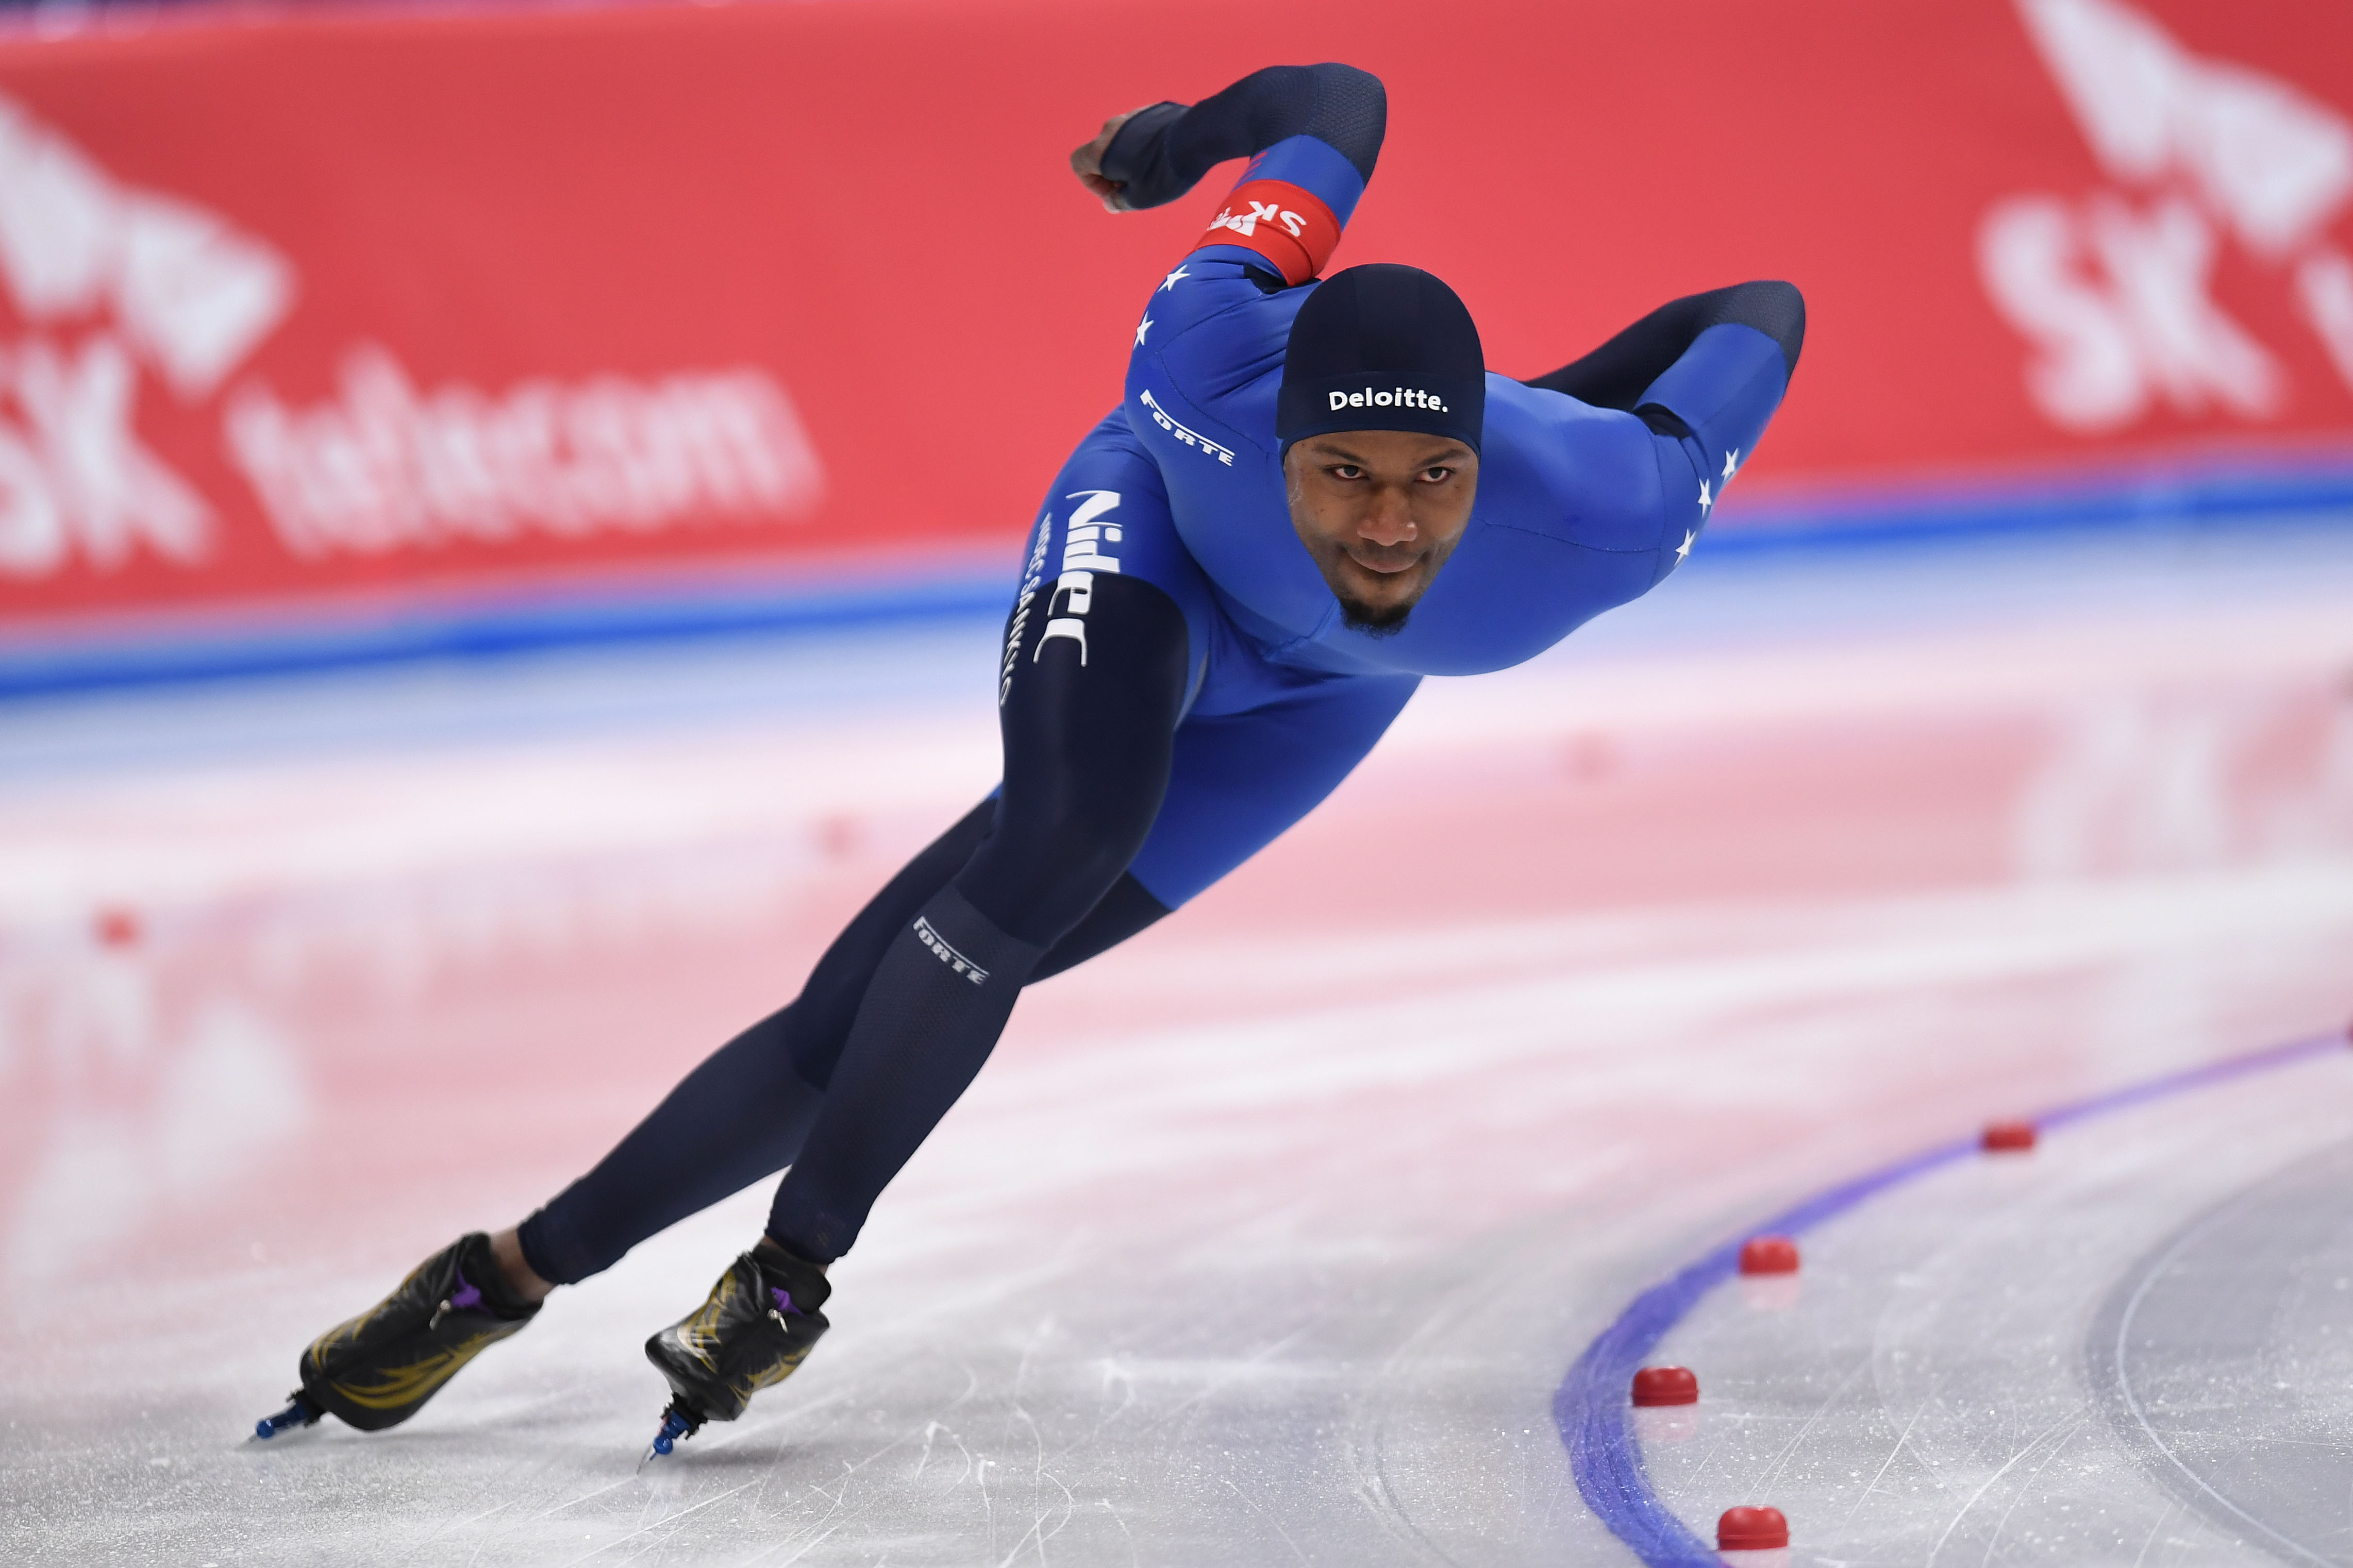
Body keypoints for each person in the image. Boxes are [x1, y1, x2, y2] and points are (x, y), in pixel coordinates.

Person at [253, 60, 1804, 1454]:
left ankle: (499, 1275)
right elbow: (1341, 102)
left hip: (1322, 697)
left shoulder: (1611, 510)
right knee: (1053, 849)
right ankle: (786, 1282)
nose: (1388, 526)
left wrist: (1545, 408)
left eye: (1435, 478)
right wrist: (1169, 147)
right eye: (1341, 472)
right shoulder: (1205, 357)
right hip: (1156, 548)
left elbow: (1763, 304)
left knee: (855, 1022)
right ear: (1275, 436)